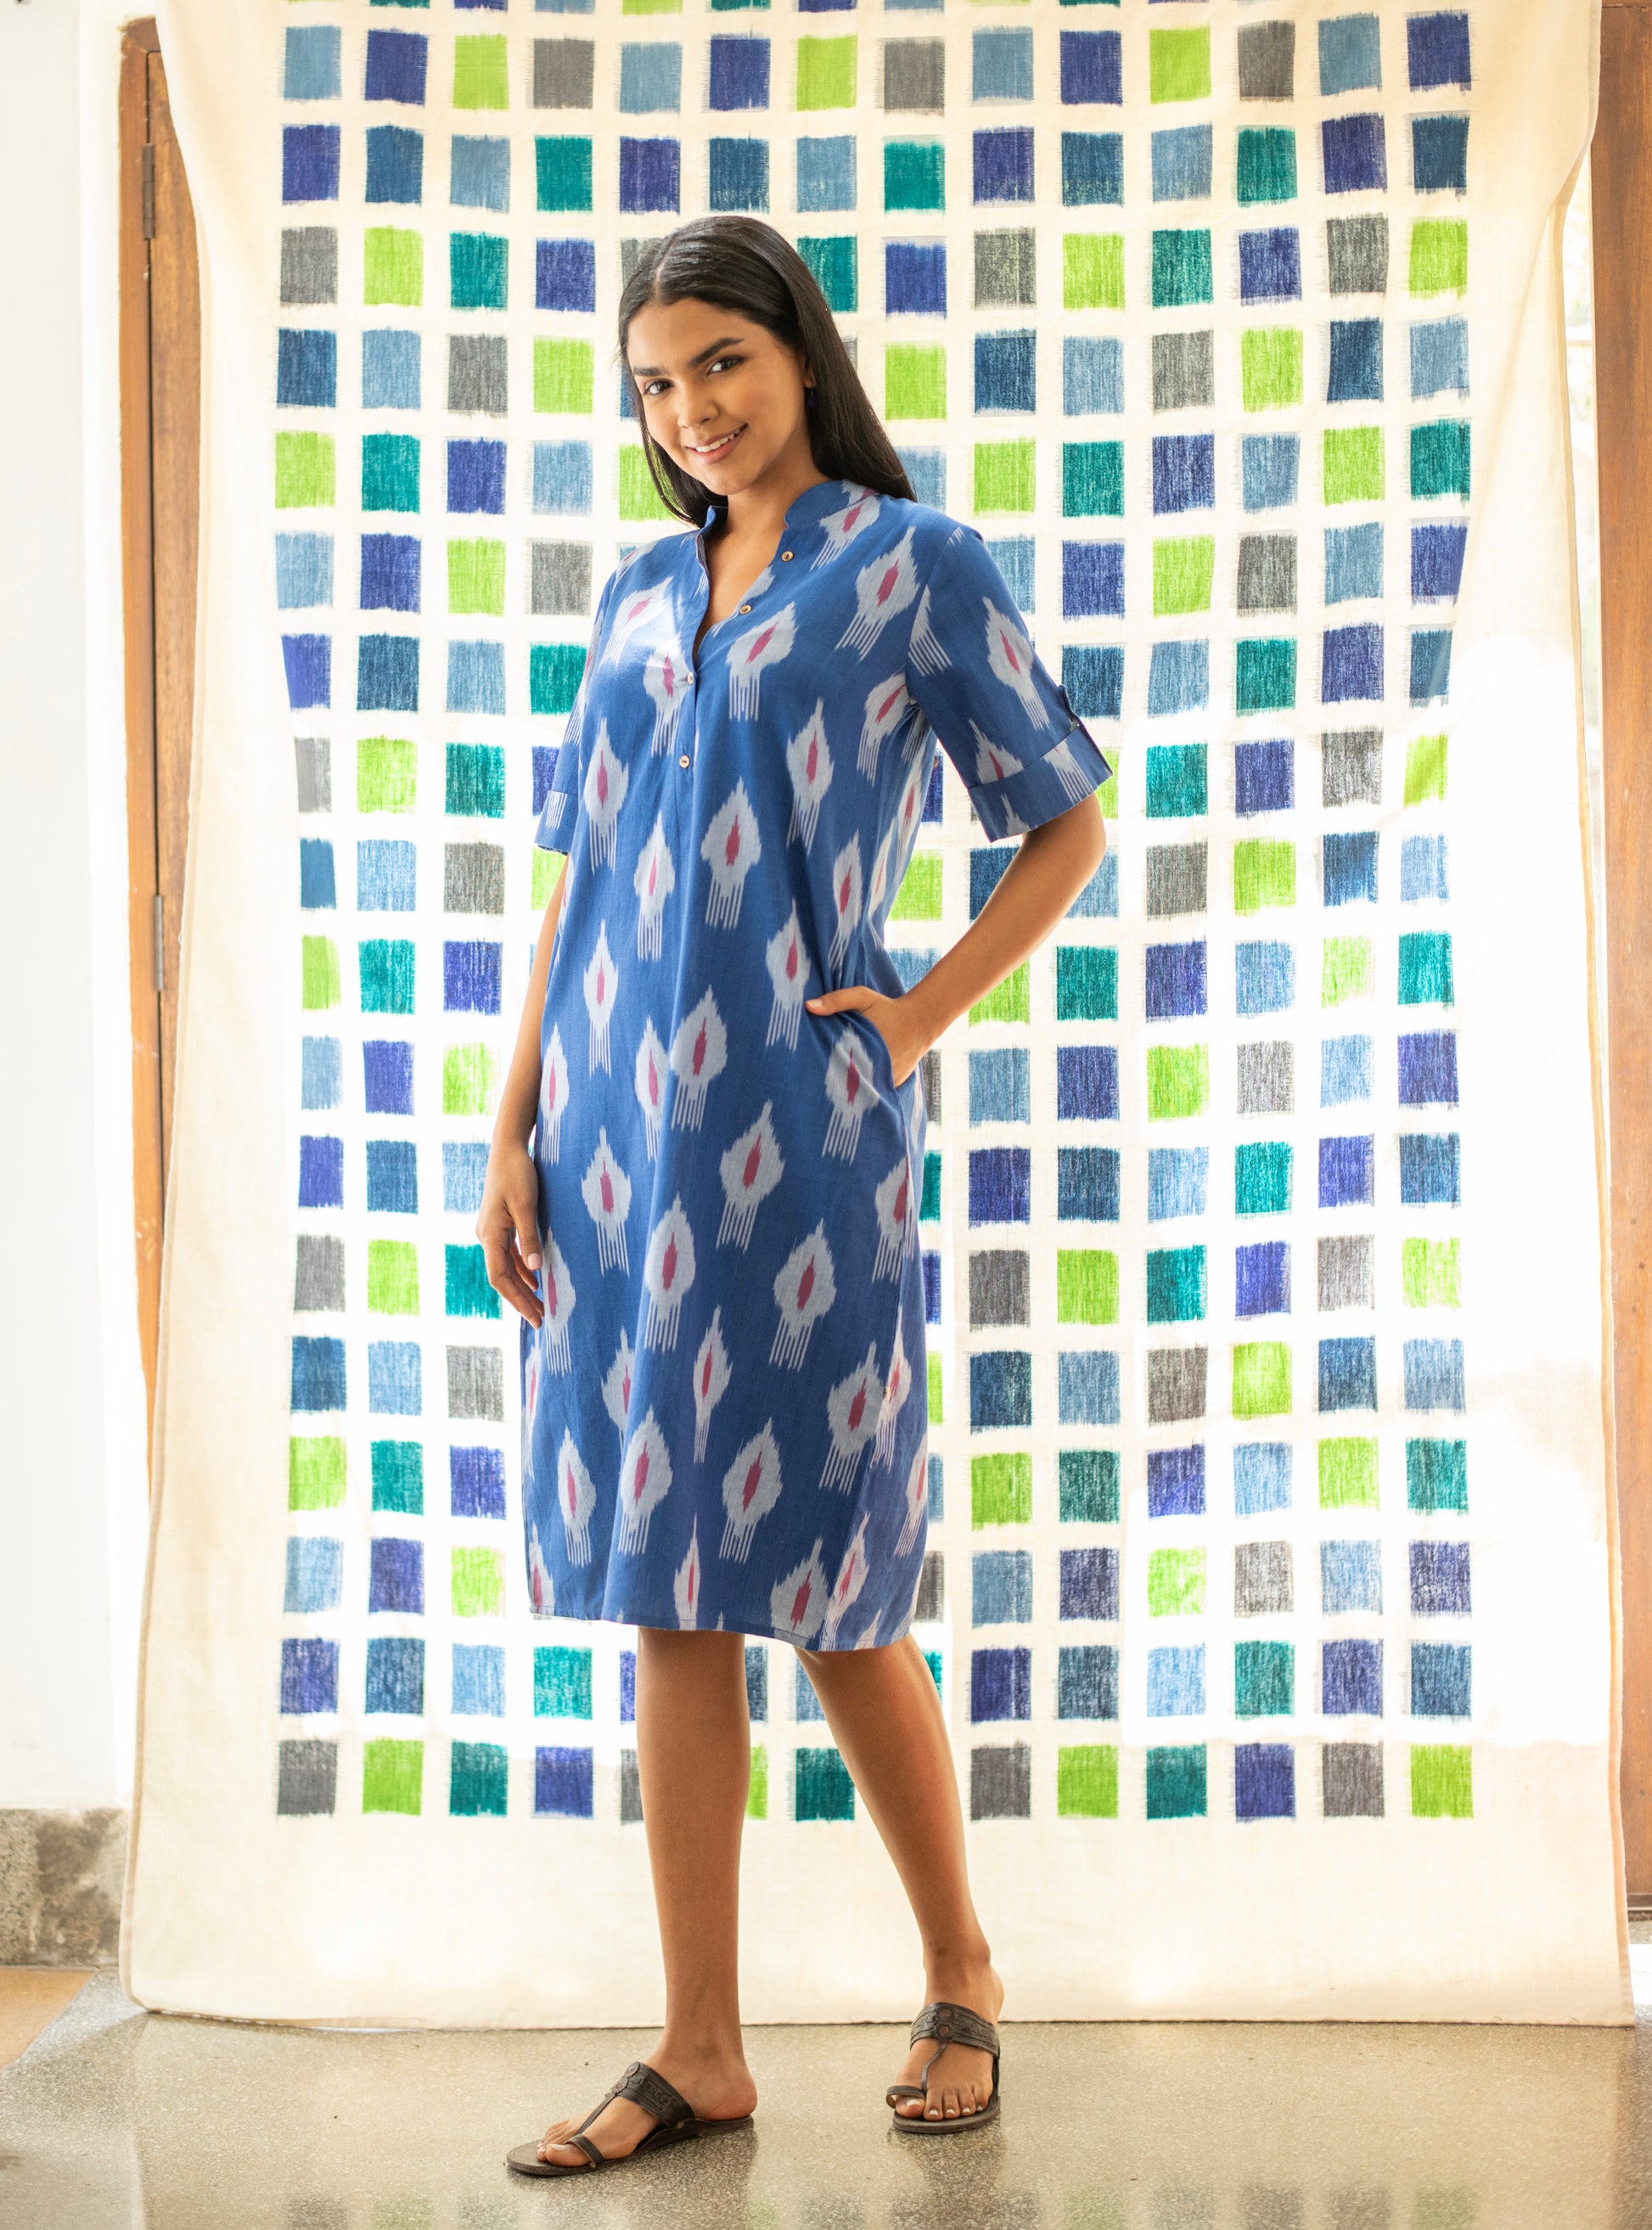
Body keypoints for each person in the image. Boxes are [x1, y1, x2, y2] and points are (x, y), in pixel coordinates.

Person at [478, 213, 1111, 2178]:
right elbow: (578, 877)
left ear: (799, 353)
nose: (694, 410)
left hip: (800, 1139)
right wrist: (510, 1128)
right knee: (667, 1598)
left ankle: (962, 1971)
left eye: (722, 363)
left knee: (835, 1589)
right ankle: (701, 2050)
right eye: (657, 384)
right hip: (611, 1151)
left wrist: (915, 1018)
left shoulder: (914, 568)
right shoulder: (630, 600)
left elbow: (1065, 821)